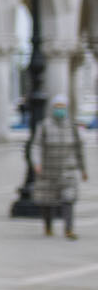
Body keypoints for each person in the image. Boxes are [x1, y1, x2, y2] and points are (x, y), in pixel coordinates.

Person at [36, 94, 87, 240]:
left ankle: (68, 229)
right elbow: (36, 146)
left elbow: (79, 150)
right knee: (47, 201)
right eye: (57, 107)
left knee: (68, 198)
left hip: (67, 170)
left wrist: (83, 169)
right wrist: (37, 163)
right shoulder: (44, 125)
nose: (60, 110)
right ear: (53, 108)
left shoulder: (72, 126)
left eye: (62, 107)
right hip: (48, 169)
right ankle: (48, 226)